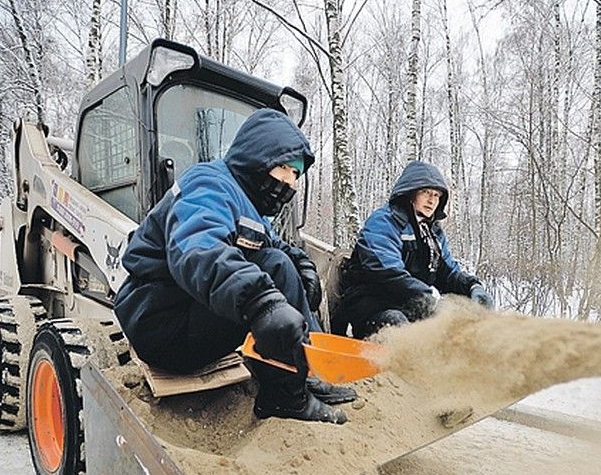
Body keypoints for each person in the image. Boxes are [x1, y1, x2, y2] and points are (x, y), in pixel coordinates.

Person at [114, 108, 356, 424]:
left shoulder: (246, 205)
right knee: (274, 268)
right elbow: (199, 249)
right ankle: (285, 398)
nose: (290, 184)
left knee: (281, 262)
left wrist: (304, 267)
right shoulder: (209, 184)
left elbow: (272, 245)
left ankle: (307, 372)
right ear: (260, 158)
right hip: (161, 322)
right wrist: (261, 303)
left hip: (184, 314)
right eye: (286, 169)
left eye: (296, 176)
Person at [337, 160, 495, 338]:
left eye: (436, 195)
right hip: (371, 305)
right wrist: (429, 297)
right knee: (399, 327)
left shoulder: (432, 232)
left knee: (456, 331)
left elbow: (448, 272)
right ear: (411, 192)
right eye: (425, 192)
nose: (431, 200)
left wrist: (472, 286)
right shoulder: (384, 221)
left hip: (410, 304)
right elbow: (387, 272)